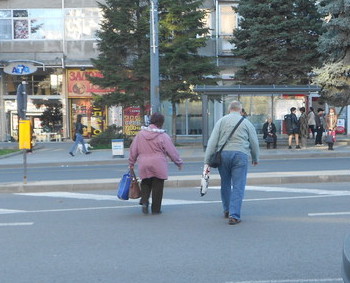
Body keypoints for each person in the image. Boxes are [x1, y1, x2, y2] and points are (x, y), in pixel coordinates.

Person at [204, 101, 259, 225]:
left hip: (223, 156)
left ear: (229, 110)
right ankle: (234, 215)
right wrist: (255, 158)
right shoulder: (246, 122)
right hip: (240, 155)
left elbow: (212, 141)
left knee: (225, 183)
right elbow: (254, 142)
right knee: (238, 185)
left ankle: (227, 209)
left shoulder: (221, 121)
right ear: (240, 110)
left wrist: (207, 161)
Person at [129, 112, 183, 215]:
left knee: (145, 183)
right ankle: (156, 209)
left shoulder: (140, 135)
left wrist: (131, 162)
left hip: (144, 163)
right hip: (158, 163)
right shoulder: (163, 136)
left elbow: (133, 149)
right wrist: (178, 162)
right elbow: (171, 151)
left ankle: (144, 201)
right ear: (161, 123)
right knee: (158, 186)